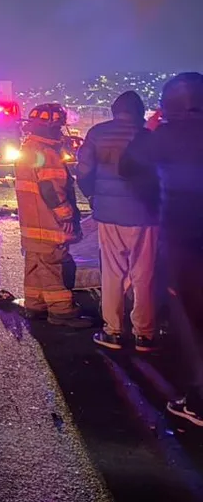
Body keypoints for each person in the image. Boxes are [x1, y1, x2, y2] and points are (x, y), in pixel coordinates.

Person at [122, 72, 203, 426]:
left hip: (184, 239)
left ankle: (200, 402)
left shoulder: (164, 137)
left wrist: (151, 129)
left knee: (192, 319)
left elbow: (128, 166)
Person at [76, 91, 160, 351]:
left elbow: (84, 170)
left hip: (110, 214)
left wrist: (92, 195)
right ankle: (144, 334)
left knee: (112, 272)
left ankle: (112, 331)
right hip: (145, 215)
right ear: (139, 110)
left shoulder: (97, 133)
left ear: (114, 110)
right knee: (144, 273)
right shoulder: (148, 136)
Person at [14, 103, 93, 327]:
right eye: (58, 126)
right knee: (52, 263)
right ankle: (61, 311)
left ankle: (35, 304)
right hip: (48, 221)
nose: (60, 131)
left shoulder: (28, 149)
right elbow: (51, 188)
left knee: (35, 261)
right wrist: (66, 216)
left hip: (32, 222)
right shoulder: (47, 153)